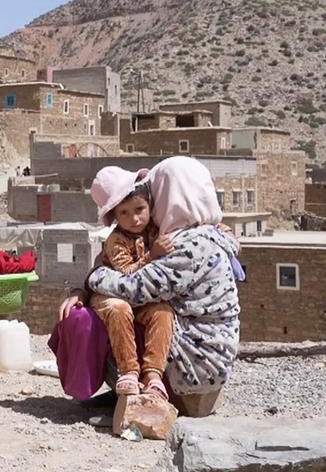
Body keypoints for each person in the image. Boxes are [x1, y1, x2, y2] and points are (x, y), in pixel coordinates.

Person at [57, 156, 240, 415]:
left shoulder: (187, 246)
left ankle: (137, 386)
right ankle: (132, 386)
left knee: (94, 317)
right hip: (209, 359)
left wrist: (92, 279)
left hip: (193, 367)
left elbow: (133, 288)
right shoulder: (210, 233)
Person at [87, 167, 174, 399]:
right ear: (115, 215)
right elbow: (126, 275)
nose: (134, 219)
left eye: (139, 210)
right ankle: (128, 372)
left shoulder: (154, 230)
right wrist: (151, 256)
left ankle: (153, 373)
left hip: (141, 299)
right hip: (110, 293)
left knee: (163, 311)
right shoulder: (116, 240)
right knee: (119, 308)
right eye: (124, 213)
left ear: (149, 206)